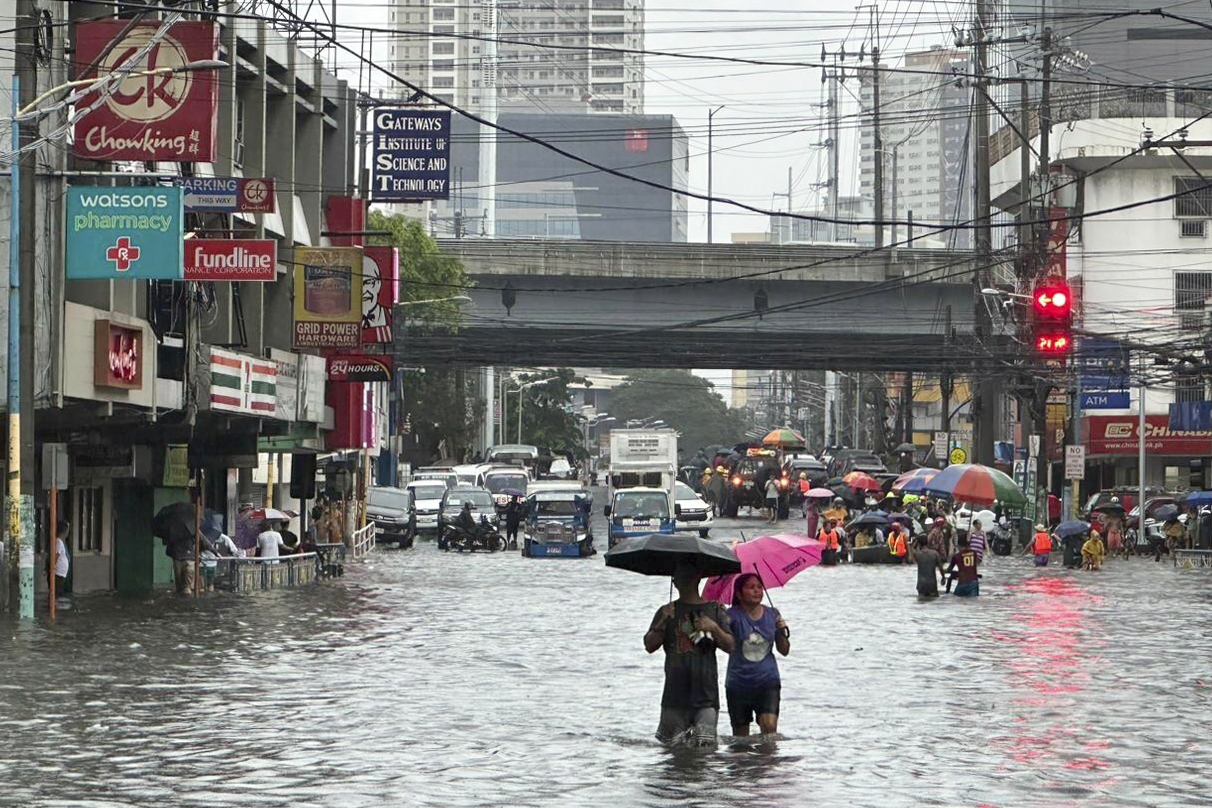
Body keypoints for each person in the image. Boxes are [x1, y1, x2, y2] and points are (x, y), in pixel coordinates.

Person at [645, 559, 736, 746]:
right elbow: (649, 645)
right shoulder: (666, 611)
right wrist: (663, 621)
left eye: (686, 574)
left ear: (698, 578)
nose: (680, 579)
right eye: (678, 575)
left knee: (705, 749)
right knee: (671, 751)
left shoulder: (715, 610)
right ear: (674, 581)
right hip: (674, 695)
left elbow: (731, 646)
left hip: (706, 695)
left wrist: (714, 629)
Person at [725, 573, 789, 738]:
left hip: (767, 681)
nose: (757, 591)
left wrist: (781, 630)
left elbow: (784, 650)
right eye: (751, 587)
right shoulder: (731, 616)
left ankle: (765, 762)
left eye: (759, 587)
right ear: (739, 593)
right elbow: (725, 645)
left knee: (769, 729)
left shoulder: (773, 614)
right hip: (738, 683)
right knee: (741, 739)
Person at [52, 519, 70, 596]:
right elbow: (56, 555)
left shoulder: (61, 541)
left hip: (61, 572)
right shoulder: (59, 541)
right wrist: (52, 568)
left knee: (58, 588)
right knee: (56, 589)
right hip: (58, 571)